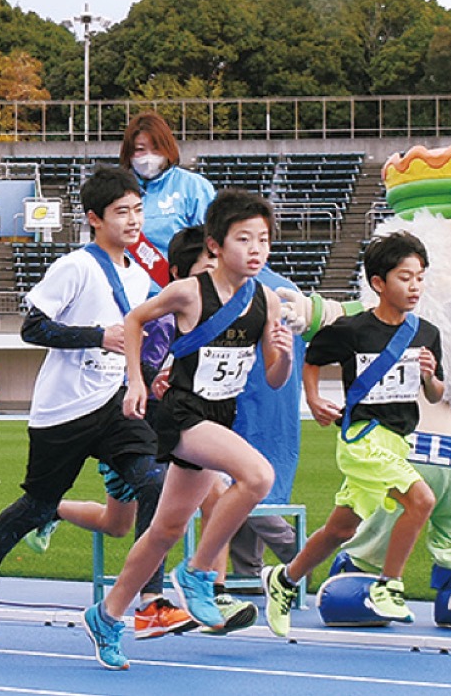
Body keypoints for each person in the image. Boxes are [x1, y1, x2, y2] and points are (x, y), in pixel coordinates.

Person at [83, 188, 293, 670]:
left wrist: (279, 351)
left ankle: (107, 614)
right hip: (181, 414)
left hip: (219, 416)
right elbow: (135, 320)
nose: (256, 249)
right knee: (256, 477)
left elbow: (276, 377)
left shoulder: (267, 301)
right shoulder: (188, 291)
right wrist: (135, 380)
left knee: (164, 529)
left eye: (263, 239)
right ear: (216, 245)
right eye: (244, 239)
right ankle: (198, 573)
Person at [0, 167, 161, 637]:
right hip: (64, 410)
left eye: (137, 210)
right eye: (121, 212)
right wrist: (97, 336)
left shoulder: (139, 275)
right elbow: (33, 328)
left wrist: (149, 376)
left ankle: (151, 600)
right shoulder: (76, 266)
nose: (132, 220)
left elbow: (130, 341)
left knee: (156, 481)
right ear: (94, 218)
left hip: (112, 404)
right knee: (38, 505)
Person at [262, 231, 441, 638]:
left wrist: (430, 376)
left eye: (420, 277)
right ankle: (389, 588)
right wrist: (314, 399)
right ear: (378, 283)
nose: (414, 286)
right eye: (404, 277)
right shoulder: (353, 329)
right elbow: (314, 357)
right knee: (421, 500)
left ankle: (284, 580)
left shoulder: (426, 333)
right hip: (363, 438)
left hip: (397, 441)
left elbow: (437, 392)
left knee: (342, 529)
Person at [119, 110, 215, 284]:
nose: (148, 157)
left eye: (155, 149)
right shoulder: (117, 189)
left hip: (178, 292)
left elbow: (212, 243)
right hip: (127, 293)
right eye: (140, 150)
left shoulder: (194, 187)